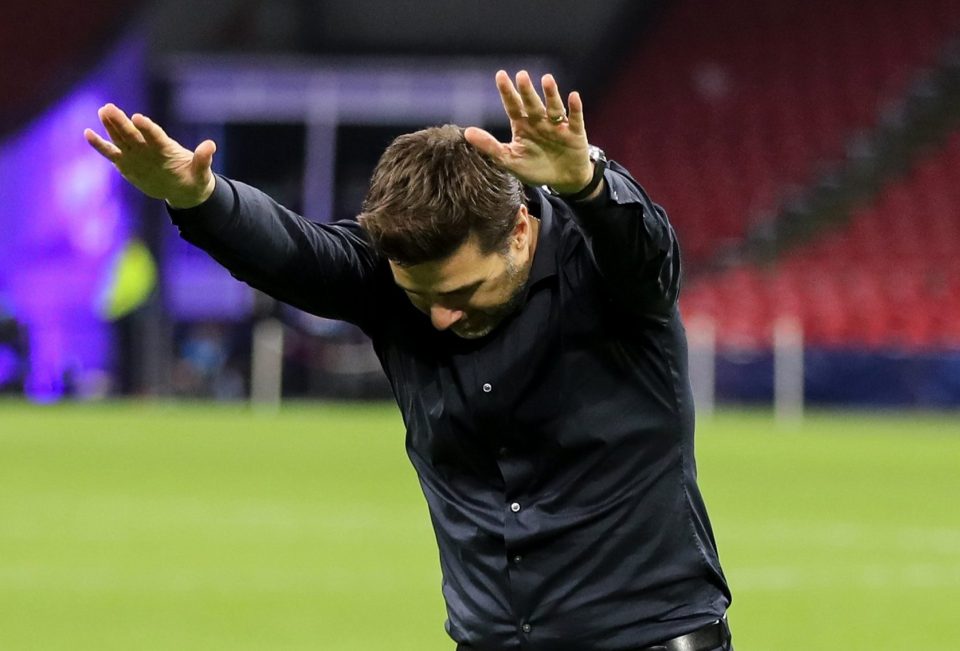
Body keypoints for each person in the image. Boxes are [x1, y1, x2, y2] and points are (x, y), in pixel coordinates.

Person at [85, 70, 732, 651]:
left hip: (651, 638)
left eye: (460, 292)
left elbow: (648, 248)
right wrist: (200, 198)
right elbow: (295, 251)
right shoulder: (396, 287)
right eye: (421, 295)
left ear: (521, 232)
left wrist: (591, 182)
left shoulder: (612, 274)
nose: (440, 316)